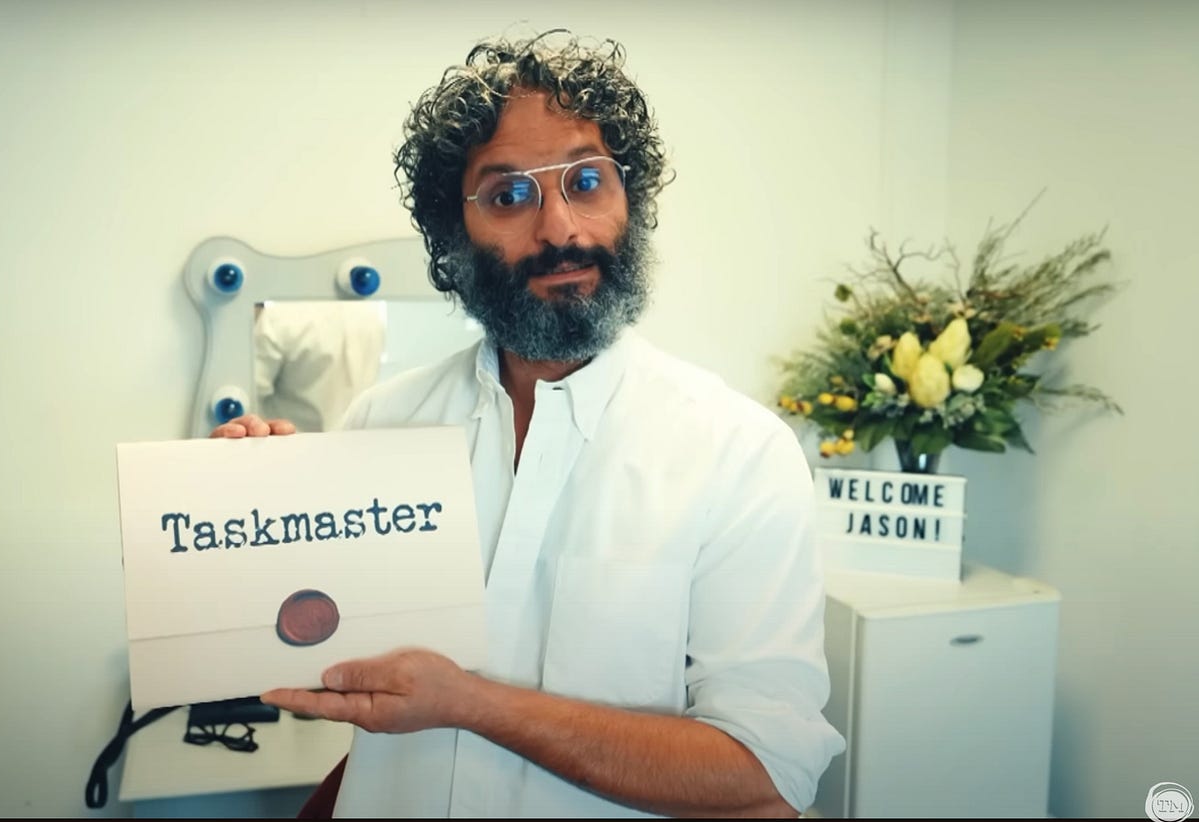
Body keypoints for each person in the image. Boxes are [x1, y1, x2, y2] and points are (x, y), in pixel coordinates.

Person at [212, 31, 844, 818]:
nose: (560, 230)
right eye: (509, 196)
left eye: (586, 181)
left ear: (630, 199)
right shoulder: (384, 422)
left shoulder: (739, 455)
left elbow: (761, 772)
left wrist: (471, 702)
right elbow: (350, 679)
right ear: (454, 234)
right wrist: (253, 525)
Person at [252, 300, 386, 433]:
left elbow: (250, 392)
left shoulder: (280, 317)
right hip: (359, 444)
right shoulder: (370, 314)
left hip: (292, 447)